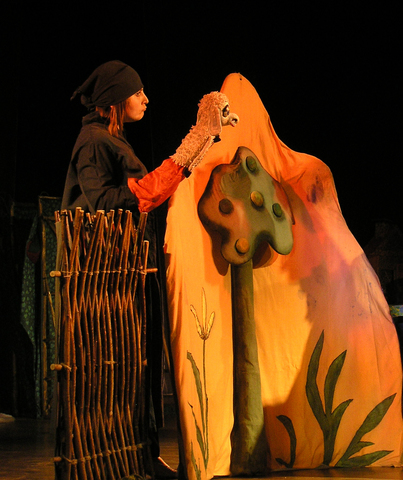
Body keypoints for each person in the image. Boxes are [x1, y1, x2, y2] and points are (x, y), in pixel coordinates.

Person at [61, 60, 238, 478]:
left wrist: (200, 141)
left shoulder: (111, 139)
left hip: (127, 270)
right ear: (115, 99)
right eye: (137, 92)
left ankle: (141, 453)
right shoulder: (93, 141)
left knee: (139, 364)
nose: (145, 99)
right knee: (112, 368)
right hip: (103, 277)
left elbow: (140, 193)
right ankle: (114, 457)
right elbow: (106, 202)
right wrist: (189, 147)